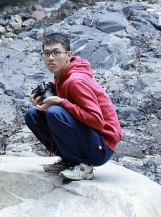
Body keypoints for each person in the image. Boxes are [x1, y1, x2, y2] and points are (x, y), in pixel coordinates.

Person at [24, 32, 123, 181]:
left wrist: (62, 102)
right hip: (90, 139)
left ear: (69, 55)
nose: (51, 58)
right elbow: (69, 114)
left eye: (56, 53)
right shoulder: (60, 77)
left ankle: (83, 166)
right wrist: (42, 106)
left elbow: (97, 121)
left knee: (54, 112)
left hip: (102, 146)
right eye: (47, 53)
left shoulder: (76, 80)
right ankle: (69, 160)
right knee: (32, 114)